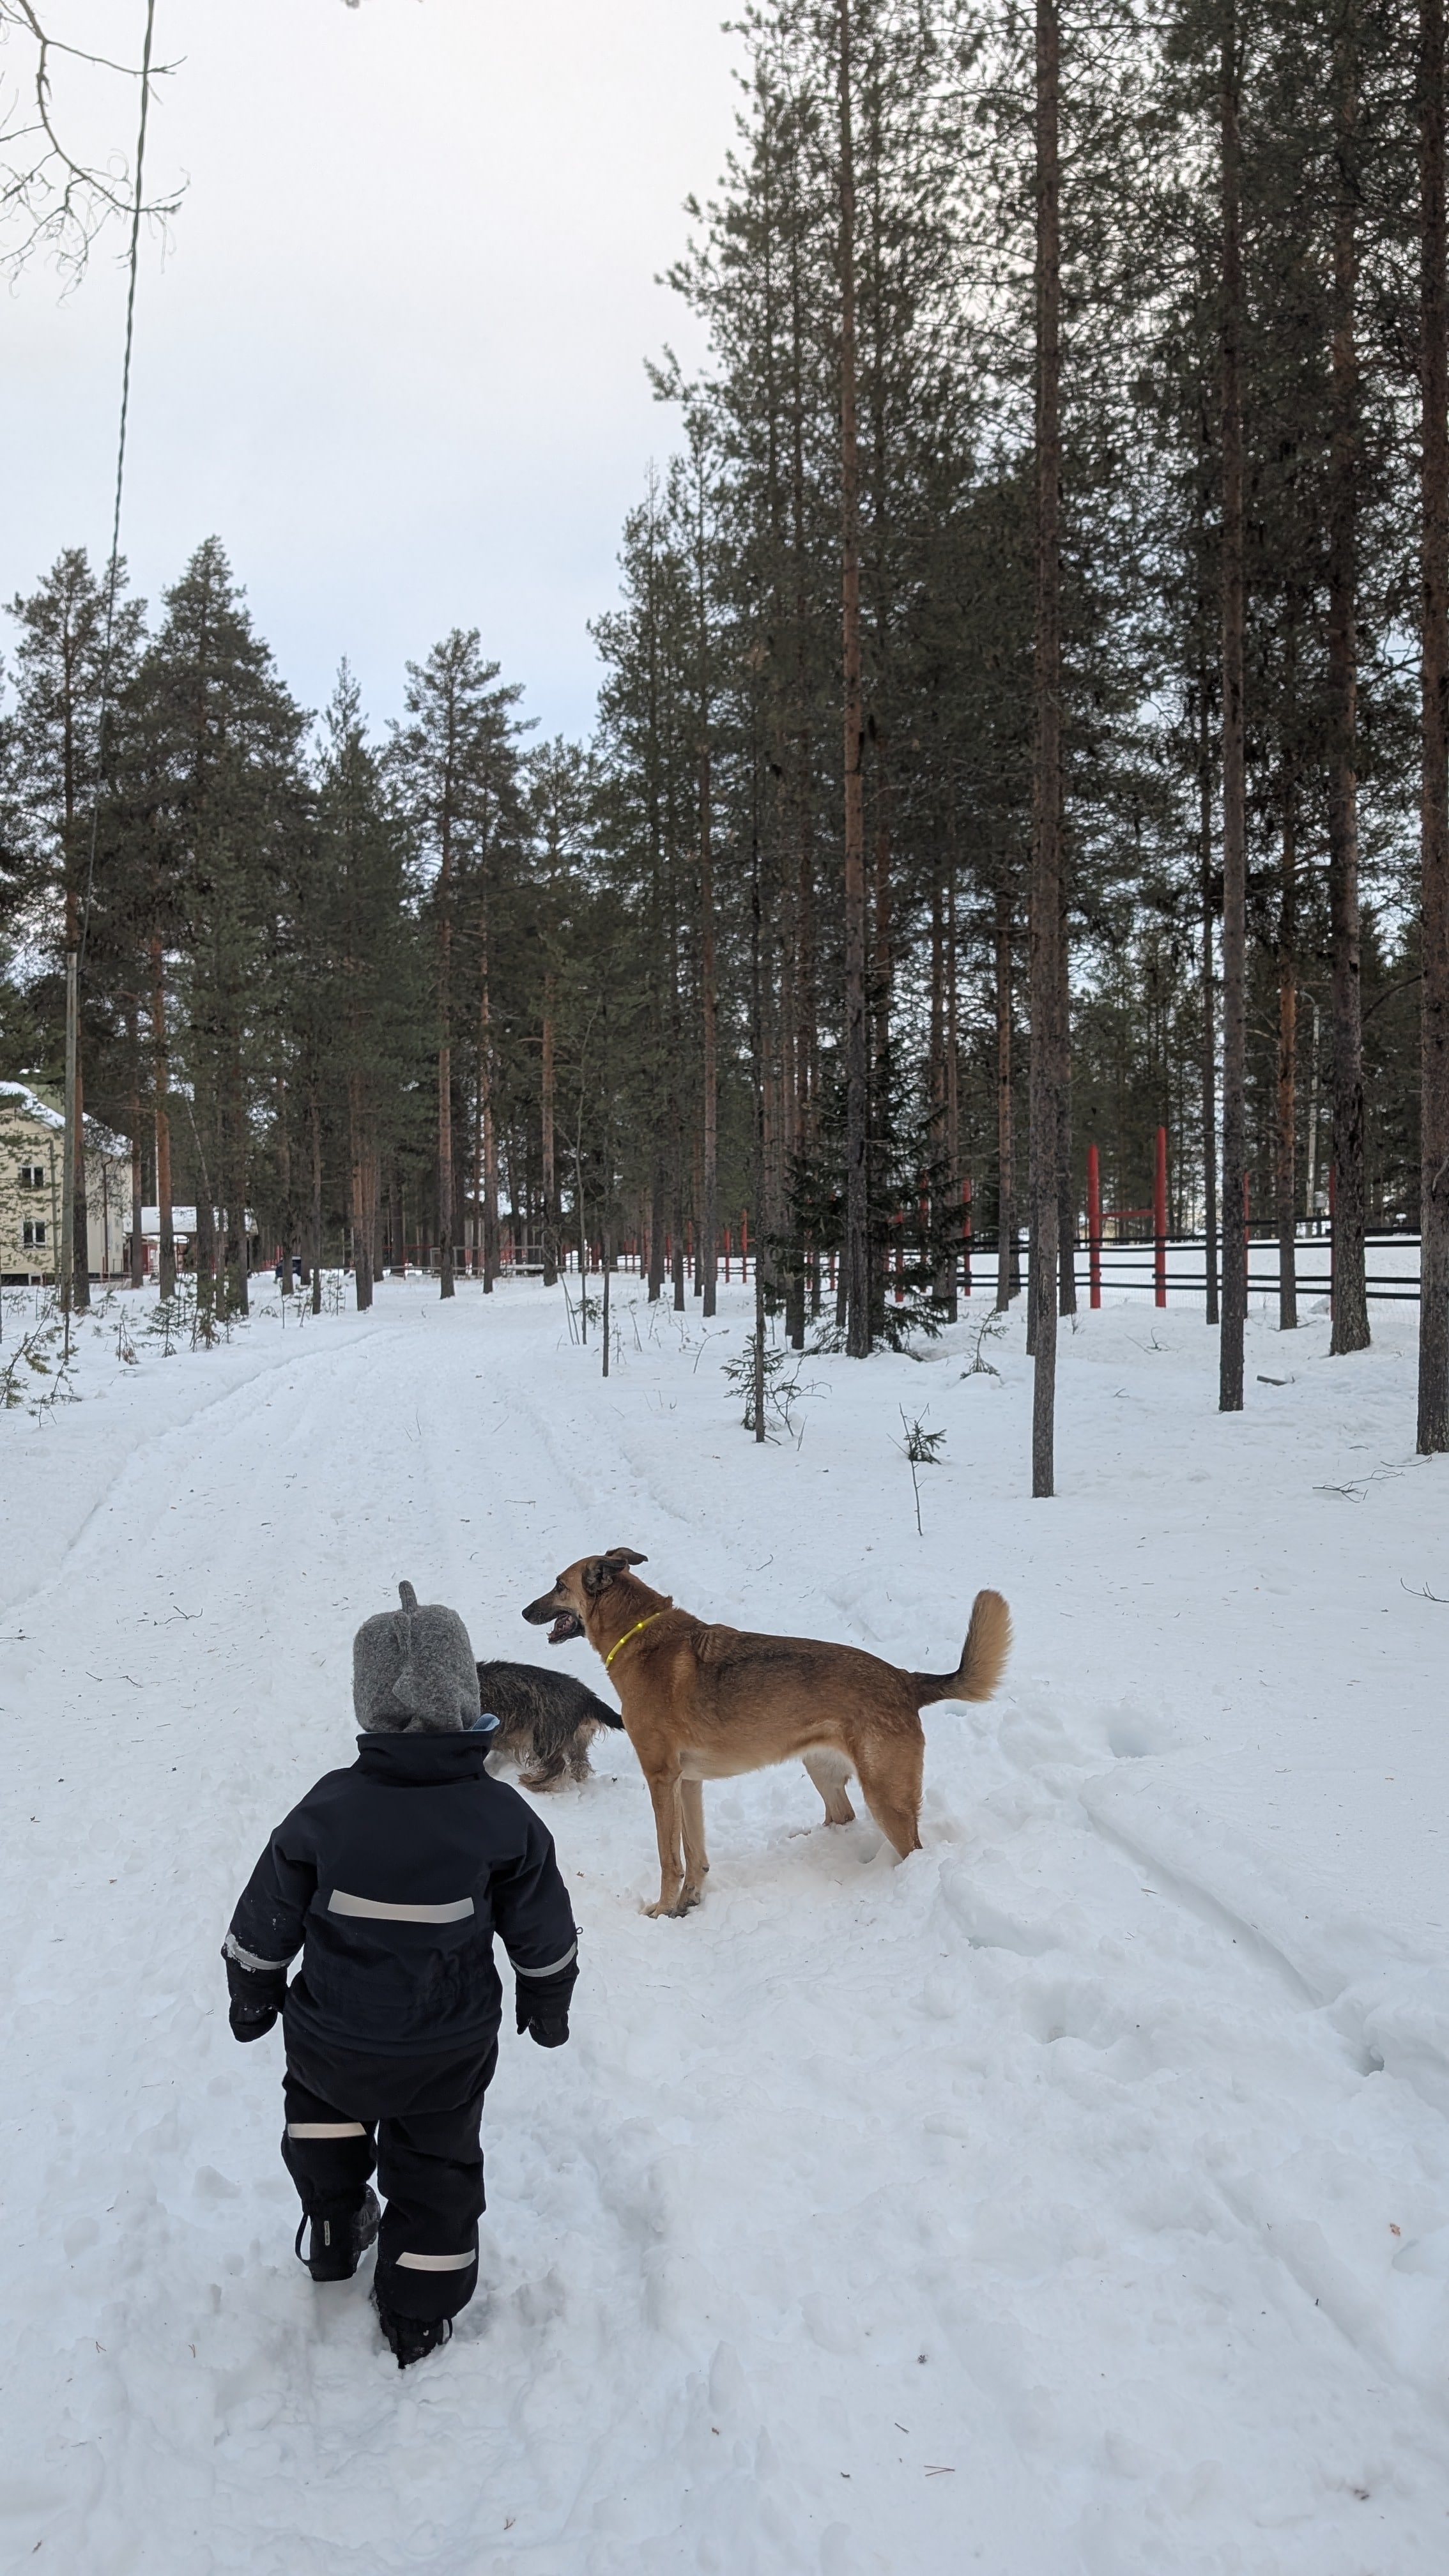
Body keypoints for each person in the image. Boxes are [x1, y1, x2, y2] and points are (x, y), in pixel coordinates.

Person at [221, 1580, 579, 2368]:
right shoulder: (502, 1818)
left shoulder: (327, 1808)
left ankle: (332, 2226)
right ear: (464, 1694)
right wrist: (547, 1998)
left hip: (331, 2037)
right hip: (445, 2050)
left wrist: (253, 1991)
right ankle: (418, 2312)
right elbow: (542, 1928)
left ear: (367, 1701)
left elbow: (266, 1915)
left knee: (322, 2129)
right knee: (436, 2170)